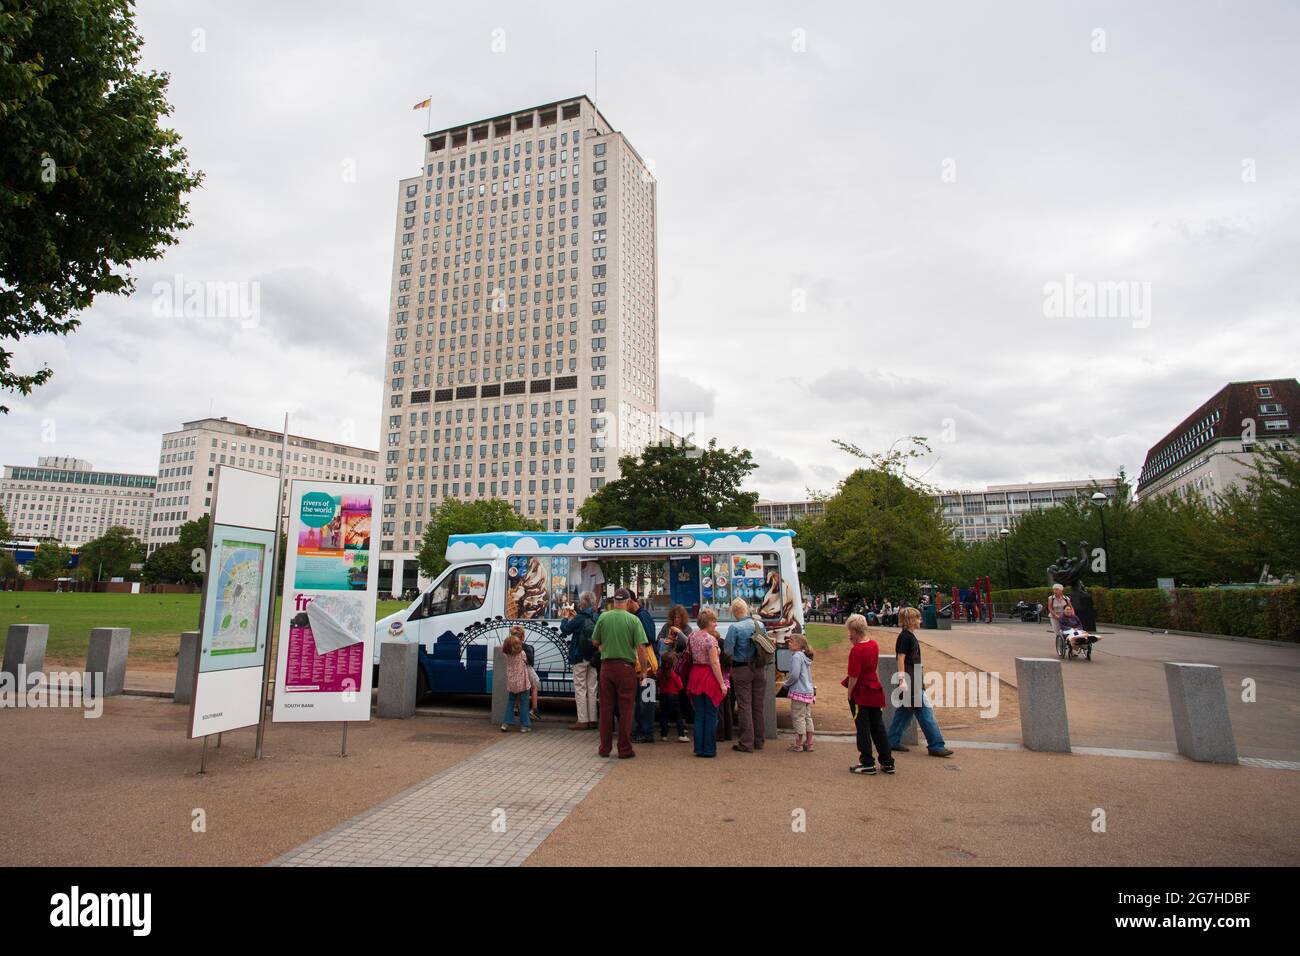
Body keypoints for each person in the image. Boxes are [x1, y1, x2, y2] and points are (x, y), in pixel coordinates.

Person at [591, 587, 653, 759]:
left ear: (613, 602)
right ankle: (624, 749)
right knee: (626, 709)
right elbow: (642, 648)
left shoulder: (603, 617)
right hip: (626, 668)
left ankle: (604, 748)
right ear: (627, 602)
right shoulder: (633, 620)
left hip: (607, 668)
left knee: (606, 708)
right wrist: (644, 671)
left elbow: (595, 641)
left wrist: (603, 646)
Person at [888, 607, 953, 757]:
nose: (920, 620)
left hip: (913, 678)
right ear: (911, 620)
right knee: (926, 713)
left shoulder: (908, 636)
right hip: (911, 680)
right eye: (918, 618)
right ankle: (936, 745)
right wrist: (902, 679)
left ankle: (892, 740)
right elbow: (901, 658)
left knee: (904, 713)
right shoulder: (905, 637)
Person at [843, 613, 892, 774]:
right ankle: (887, 761)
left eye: (851, 632)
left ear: (855, 631)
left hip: (862, 692)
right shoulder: (874, 645)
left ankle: (867, 761)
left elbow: (854, 676)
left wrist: (850, 693)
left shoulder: (857, 650)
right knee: (878, 727)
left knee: (862, 728)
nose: (850, 635)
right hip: (874, 689)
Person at [724, 598, 766, 753]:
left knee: (744, 705)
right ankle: (759, 740)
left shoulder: (734, 627)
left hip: (742, 668)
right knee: (758, 706)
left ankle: (746, 742)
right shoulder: (759, 624)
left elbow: (728, 651)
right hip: (759, 668)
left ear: (735, 612)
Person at [686, 609, 728, 758]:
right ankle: (709, 749)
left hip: (695, 674)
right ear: (708, 622)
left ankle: (699, 747)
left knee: (699, 714)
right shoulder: (710, 640)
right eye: (714, 621)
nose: (716, 624)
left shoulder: (692, 636)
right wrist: (722, 684)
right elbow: (715, 663)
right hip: (708, 676)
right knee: (711, 714)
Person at [561, 591, 599, 730]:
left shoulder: (579, 618)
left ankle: (583, 720)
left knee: (580, 688)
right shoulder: (597, 616)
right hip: (594, 657)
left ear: (583, 603)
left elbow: (565, 630)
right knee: (592, 688)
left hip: (579, 656)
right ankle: (593, 720)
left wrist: (565, 617)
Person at [628, 593, 659, 744]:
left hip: (647, 667)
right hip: (644, 666)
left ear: (631, 602)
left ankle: (647, 731)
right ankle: (643, 730)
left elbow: (649, 638)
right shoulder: (640, 615)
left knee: (646, 701)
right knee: (643, 701)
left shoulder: (642, 616)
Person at [780, 633, 816, 752]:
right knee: (807, 717)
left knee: (798, 717)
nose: (788, 643)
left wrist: (786, 683)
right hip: (807, 691)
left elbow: (794, 675)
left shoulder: (796, 657)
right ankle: (809, 742)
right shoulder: (805, 657)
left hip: (798, 691)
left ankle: (798, 743)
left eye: (791, 641)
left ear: (798, 645)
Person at [500, 627, 532, 734]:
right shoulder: (522, 654)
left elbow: (505, 648)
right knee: (524, 703)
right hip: (522, 682)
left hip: (512, 683)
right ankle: (525, 725)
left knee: (511, 702)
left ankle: (506, 722)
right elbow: (528, 661)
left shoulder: (507, 655)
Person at [657, 647, 688, 741]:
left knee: (664, 715)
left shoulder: (659, 673)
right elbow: (681, 687)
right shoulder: (674, 675)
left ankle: (664, 735)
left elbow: (658, 683)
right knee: (678, 716)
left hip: (663, 696)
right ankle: (681, 735)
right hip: (673, 697)